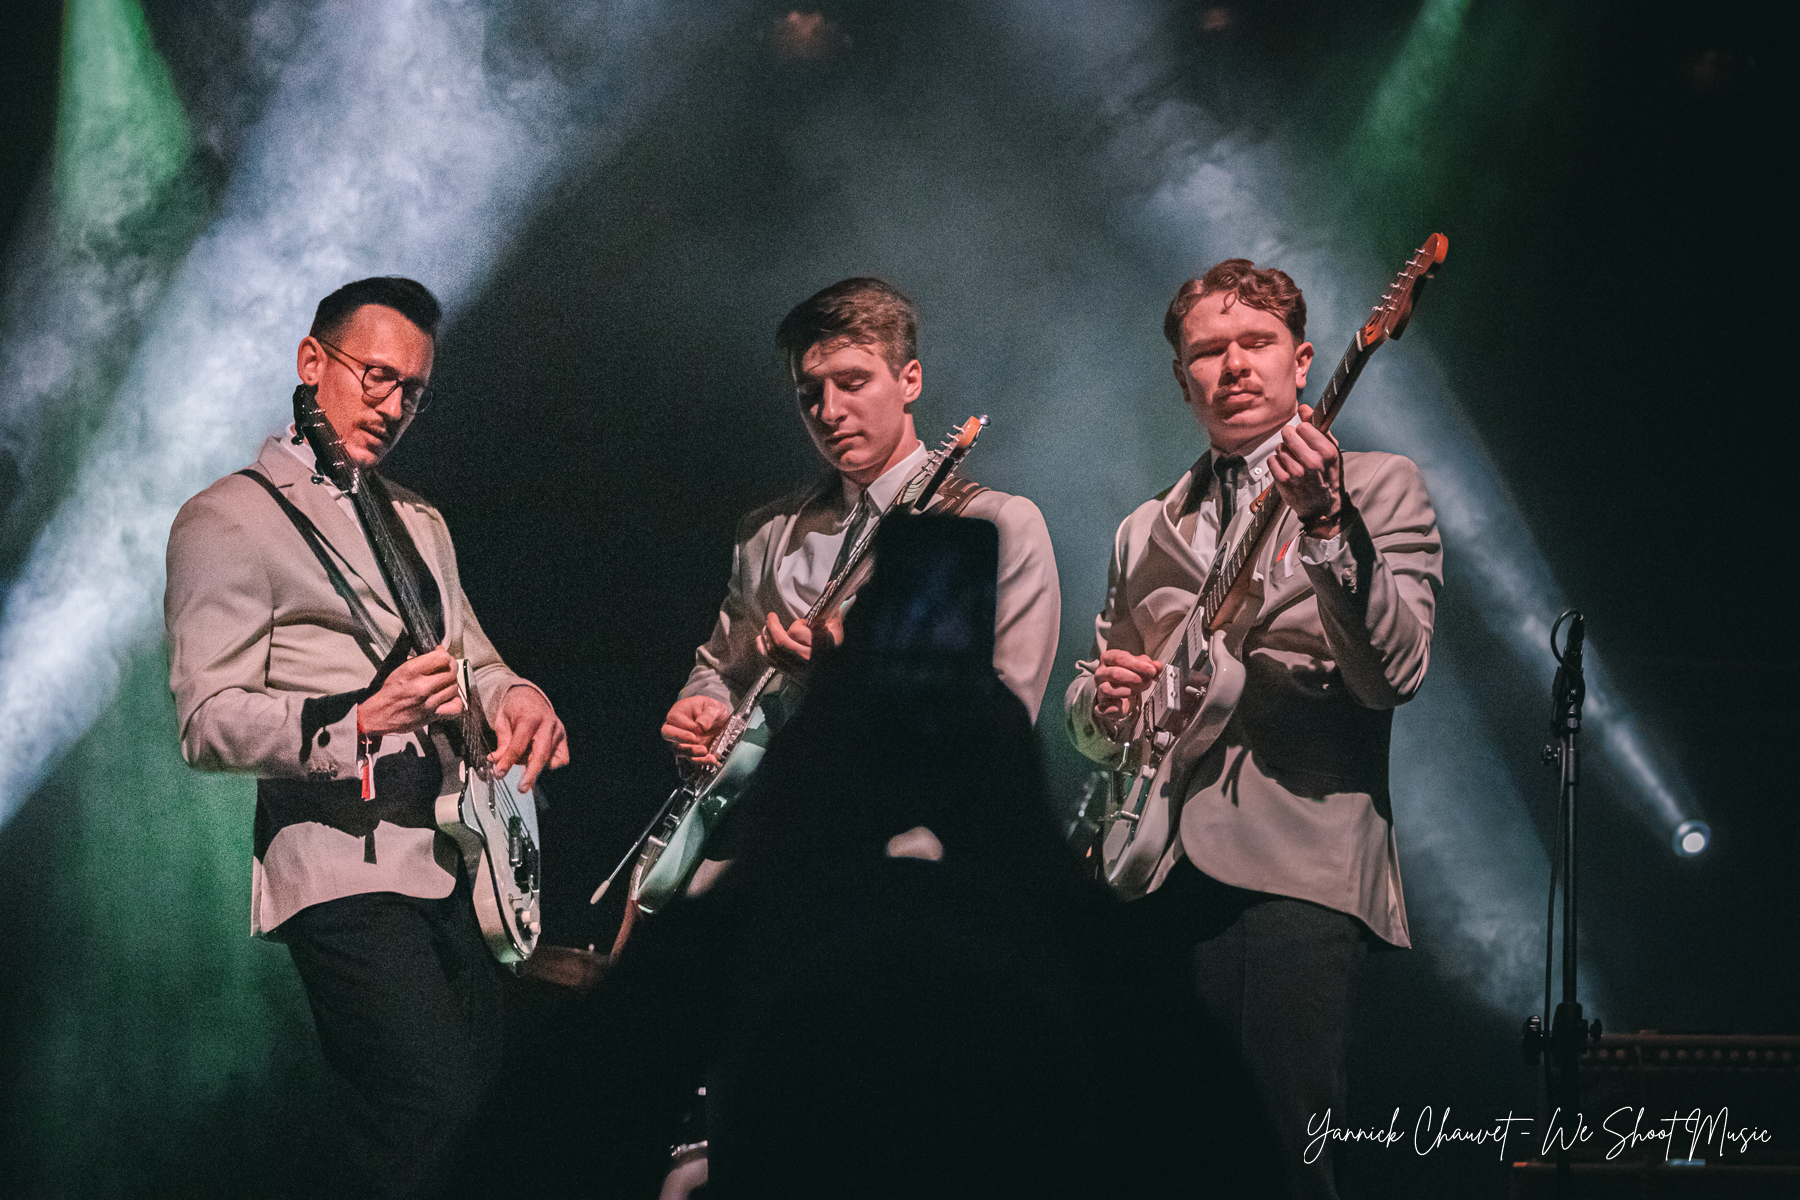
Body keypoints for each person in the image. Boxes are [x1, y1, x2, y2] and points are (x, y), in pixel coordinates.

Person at [164, 276, 569, 1197]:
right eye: (376, 377)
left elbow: (474, 661)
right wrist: (358, 720)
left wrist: (520, 694)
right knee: (428, 1113)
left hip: (460, 862)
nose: (391, 407)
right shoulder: (227, 518)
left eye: (413, 392)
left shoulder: (419, 521)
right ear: (313, 363)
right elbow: (205, 720)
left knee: (479, 1131)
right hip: (341, 868)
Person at [1065, 259, 1442, 1198]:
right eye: (1208, 351)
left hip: (1293, 865)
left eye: (1256, 343)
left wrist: (1328, 527)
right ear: (1181, 377)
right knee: (1148, 1159)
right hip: (1147, 871)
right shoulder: (1143, 527)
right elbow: (1099, 709)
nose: (1233, 365)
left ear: (1303, 362)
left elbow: (1393, 675)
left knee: (1276, 1158)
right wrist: (1101, 709)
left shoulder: (1380, 487)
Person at [661, 276, 1061, 785]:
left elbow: (998, 733)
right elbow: (722, 669)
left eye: (852, 383)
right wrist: (701, 708)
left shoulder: (996, 525)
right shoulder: (766, 533)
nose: (828, 412)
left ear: (910, 380)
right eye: (810, 393)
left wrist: (840, 679)